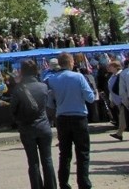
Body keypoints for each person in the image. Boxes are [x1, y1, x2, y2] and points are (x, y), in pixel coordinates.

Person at [46, 52, 95, 189]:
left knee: (65, 153)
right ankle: (84, 183)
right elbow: (90, 98)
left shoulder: (52, 79)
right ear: (71, 62)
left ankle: (63, 183)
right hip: (79, 116)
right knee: (83, 153)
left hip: (62, 117)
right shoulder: (78, 77)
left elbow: (49, 103)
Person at [10, 59, 57, 189]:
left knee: (33, 162)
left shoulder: (18, 89)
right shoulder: (43, 86)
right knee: (47, 160)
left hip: (27, 127)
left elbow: (12, 109)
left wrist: (18, 120)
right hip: (43, 125)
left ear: (22, 72)